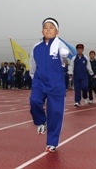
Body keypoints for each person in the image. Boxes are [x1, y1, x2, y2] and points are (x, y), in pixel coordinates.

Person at [29, 17, 69, 153]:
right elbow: (32, 65)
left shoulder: (61, 46)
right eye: (45, 27)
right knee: (34, 101)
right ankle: (41, 121)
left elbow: (64, 59)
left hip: (56, 84)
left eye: (51, 27)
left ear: (57, 31)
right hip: (39, 81)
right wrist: (34, 78)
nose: (48, 29)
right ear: (42, 31)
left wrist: (64, 57)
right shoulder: (36, 47)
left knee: (55, 113)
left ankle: (52, 142)